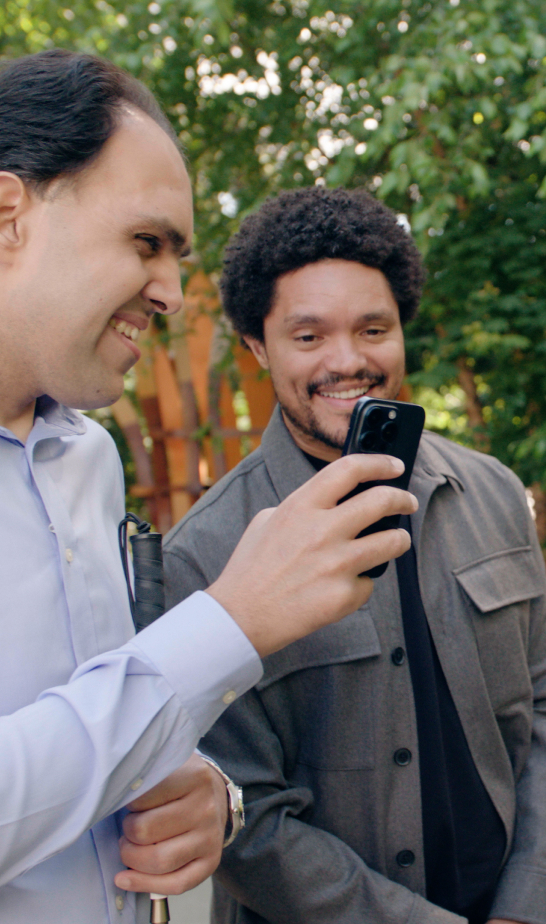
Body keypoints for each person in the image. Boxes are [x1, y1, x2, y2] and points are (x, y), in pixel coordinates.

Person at [0, 53, 417, 924]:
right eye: (146, 243)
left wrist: (205, 797)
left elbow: (106, 726)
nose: (173, 294)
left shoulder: (85, 455)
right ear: (4, 216)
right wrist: (230, 622)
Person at [164, 186, 546, 924]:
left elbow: (541, 703)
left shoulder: (494, 494)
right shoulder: (204, 555)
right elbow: (244, 818)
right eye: (308, 337)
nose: (348, 361)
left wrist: (524, 901)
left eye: (372, 329)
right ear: (257, 346)